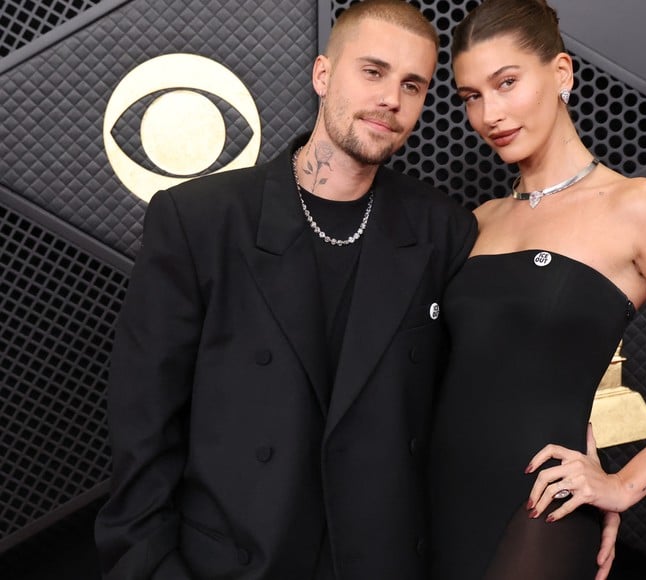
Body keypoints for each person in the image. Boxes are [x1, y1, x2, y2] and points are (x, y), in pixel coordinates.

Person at [92, 2, 478, 579]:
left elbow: (479, 396)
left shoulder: (442, 229)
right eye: (372, 72)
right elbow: (143, 429)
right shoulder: (200, 221)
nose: (391, 99)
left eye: (413, 85)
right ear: (323, 74)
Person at [427, 0, 646, 578]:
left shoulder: (634, 207)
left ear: (561, 74)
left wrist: (623, 483)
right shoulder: (481, 219)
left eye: (507, 83)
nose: (490, 113)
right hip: (437, 499)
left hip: (540, 508)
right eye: (471, 96)